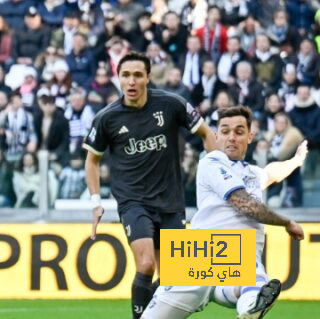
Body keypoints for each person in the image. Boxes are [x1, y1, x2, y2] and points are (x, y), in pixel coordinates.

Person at [83, 51, 215, 319]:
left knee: (172, 281)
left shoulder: (170, 104)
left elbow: (207, 134)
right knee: (145, 265)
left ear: (148, 77)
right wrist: (96, 202)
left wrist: (216, 176)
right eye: (125, 75)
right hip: (133, 202)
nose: (131, 81)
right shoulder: (107, 118)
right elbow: (92, 161)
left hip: (170, 202)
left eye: (137, 75)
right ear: (118, 78)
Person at [142, 106, 307, 319]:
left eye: (239, 132)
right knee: (254, 280)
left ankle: (249, 310)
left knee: (255, 280)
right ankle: (250, 306)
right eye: (225, 131)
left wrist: (295, 161)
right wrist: (286, 222)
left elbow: (270, 173)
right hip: (201, 252)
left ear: (250, 136)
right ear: (216, 136)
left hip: (234, 258)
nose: (231, 138)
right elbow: (244, 203)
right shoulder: (211, 163)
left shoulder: (249, 172)